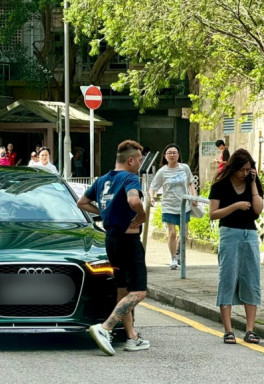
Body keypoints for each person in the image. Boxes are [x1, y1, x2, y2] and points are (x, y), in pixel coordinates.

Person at [77, 139, 150, 356]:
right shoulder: (130, 177)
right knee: (139, 292)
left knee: (122, 290)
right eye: (138, 160)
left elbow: (81, 202)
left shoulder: (102, 180)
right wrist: (142, 215)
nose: (140, 164)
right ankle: (105, 327)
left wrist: (104, 213)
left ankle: (131, 337)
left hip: (111, 240)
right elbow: (133, 200)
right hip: (129, 241)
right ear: (130, 160)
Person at [208, 148, 263, 344]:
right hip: (229, 233)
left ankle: (250, 329)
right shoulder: (221, 185)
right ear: (233, 168)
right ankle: (228, 329)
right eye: (242, 170)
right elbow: (213, 214)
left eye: (249, 169)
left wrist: (254, 184)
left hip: (250, 233)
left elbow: (258, 209)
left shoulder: (252, 183)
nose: (245, 173)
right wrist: (235, 206)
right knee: (228, 277)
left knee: (251, 278)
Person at [149, 144, 198, 270]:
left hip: (183, 205)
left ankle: (178, 253)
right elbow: (152, 187)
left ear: (178, 155)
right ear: (165, 156)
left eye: (174, 152)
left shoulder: (185, 168)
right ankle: (173, 259)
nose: (172, 155)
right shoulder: (162, 171)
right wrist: (151, 197)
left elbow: (191, 183)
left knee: (184, 234)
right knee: (171, 233)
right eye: (169, 153)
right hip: (169, 205)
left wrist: (194, 197)